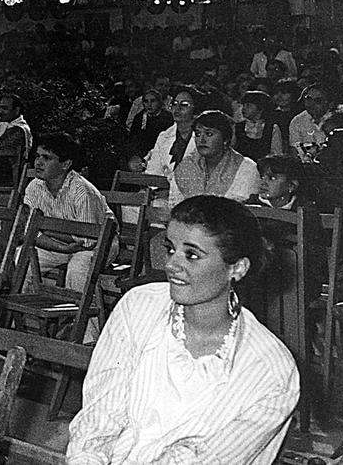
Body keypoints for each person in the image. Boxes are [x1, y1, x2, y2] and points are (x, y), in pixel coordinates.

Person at [67, 195, 298, 464]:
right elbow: (100, 419)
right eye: (170, 249)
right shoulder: (139, 307)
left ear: (236, 268)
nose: (171, 265)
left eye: (191, 255)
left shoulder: (271, 370)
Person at [21, 133, 115, 310]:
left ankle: (85, 331)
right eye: (38, 156)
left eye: (47, 158)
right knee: (22, 257)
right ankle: (26, 322)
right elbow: (30, 232)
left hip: (101, 245)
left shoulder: (82, 191)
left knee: (79, 267)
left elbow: (87, 242)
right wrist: (61, 245)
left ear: (65, 164)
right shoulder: (34, 187)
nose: (38, 162)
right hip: (62, 244)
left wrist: (48, 231)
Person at [169, 111, 261, 207]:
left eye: (209, 134)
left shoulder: (246, 169)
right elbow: (174, 208)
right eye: (198, 134)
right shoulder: (186, 166)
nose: (202, 140)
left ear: (225, 139)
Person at [145, 86, 200, 181]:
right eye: (174, 104)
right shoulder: (164, 136)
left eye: (184, 104)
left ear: (195, 109)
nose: (177, 108)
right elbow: (153, 171)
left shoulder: (203, 137)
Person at [234, 90, 284, 161]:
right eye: (243, 105)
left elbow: (277, 154)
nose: (244, 108)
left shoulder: (273, 128)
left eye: (248, 105)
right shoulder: (238, 127)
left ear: (260, 108)